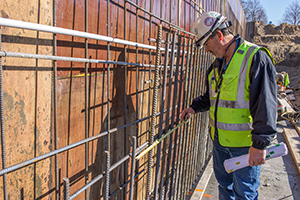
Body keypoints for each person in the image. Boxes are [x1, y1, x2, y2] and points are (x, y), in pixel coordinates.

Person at [180, 11, 277, 200]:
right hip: (220, 143)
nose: (206, 50)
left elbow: (266, 105)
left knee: (244, 195)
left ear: (219, 35)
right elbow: (211, 98)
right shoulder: (216, 66)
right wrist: (194, 107)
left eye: (206, 44)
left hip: (245, 146)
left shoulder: (255, 58)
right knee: (224, 188)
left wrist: (260, 144)